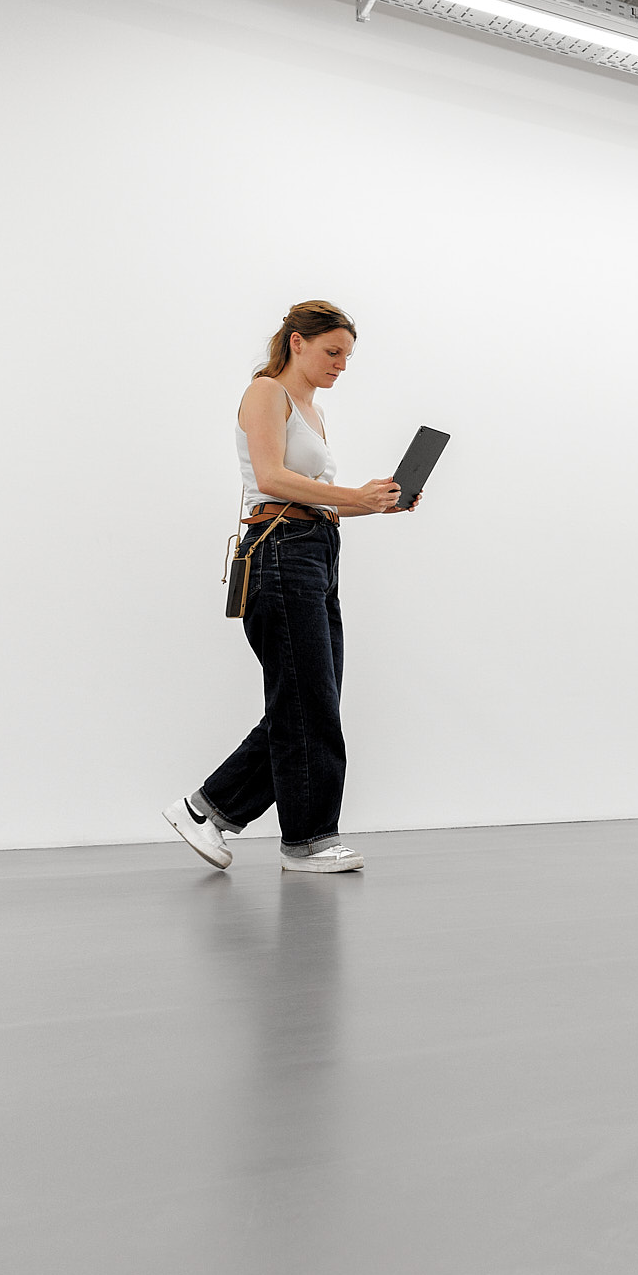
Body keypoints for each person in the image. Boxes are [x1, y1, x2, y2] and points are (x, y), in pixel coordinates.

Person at [163, 300, 420, 873]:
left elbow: (316, 499)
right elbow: (273, 478)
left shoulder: (313, 411)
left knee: (309, 700)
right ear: (297, 342)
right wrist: (352, 495)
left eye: (347, 357)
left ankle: (207, 809)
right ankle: (307, 841)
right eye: (333, 352)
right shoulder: (266, 393)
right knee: (309, 702)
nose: (341, 365)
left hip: (317, 550)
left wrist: (374, 503)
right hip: (279, 551)